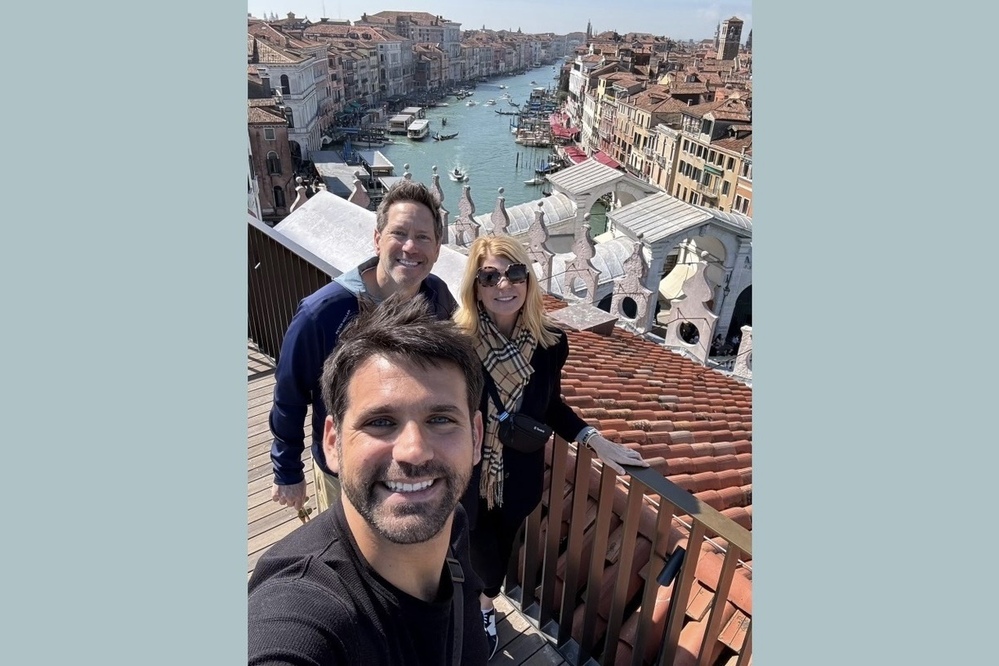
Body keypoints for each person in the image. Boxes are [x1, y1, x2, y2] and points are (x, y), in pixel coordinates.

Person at [248, 295, 489, 665]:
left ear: (476, 437)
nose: (414, 450)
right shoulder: (299, 613)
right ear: (333, 443)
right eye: (380, 422)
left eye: (440, 419)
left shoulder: (452, 527)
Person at [453, 235, 650, 659]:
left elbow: (551, 406)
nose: (504, 285)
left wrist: (594, 439)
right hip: (463, 472)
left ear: (528, 280)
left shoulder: (550, 344)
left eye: (515, 273)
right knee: (461, 542)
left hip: (518, 474)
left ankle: (484, 606)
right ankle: (458, 604)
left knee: (498, 546)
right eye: (490, 276)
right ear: (475, 286)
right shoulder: (457, 345)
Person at [268, 179, 457, 516]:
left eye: (423, 237)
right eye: (399, 233)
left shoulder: (438, 296)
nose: (411, 247)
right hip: (348, 473)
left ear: (437, 248)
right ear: (377, 239)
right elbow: (290, 395)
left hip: (412, 465)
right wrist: (287, 472)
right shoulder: (323, 313)